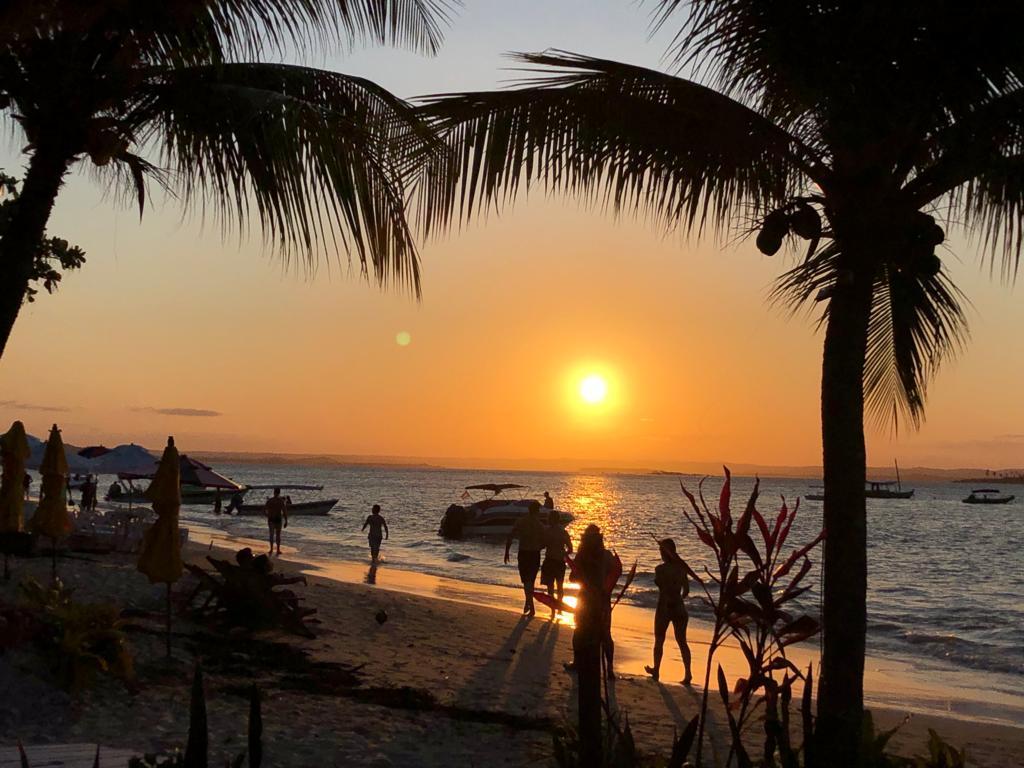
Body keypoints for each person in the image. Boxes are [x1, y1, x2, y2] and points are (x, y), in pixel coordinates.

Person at [644, 538, 693, 685]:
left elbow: (660, 585)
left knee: (659, 640)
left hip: (664, 607)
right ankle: (688, 673)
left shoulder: (660, 569)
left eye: (661, 551)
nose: (660, 554)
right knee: (682, 641)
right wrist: (678, 598)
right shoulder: (682, 569)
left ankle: (657, 670)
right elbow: (686, 590)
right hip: (679, 606)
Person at [572, 524, 618, 678]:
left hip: (585, 598)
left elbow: (573, 577)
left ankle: (577, 662)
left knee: (579, 630)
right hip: (603, 599)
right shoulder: (607, 555)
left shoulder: (582, 555)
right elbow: (615, 573)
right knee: (605, 634)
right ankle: (610, 669)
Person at [504, 500, 545, 616]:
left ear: (529, 510)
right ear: (537, 511)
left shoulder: (521, 521)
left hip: (524, 553)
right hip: (534, 554)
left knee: (526, 581)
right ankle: (529, 603)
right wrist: (539, 547)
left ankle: (530, 605)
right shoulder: (540, 525)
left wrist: (507, 551)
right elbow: (545, 541)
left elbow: (511, 535)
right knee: (530, 581)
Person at [540, 507, 572, 620]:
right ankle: (559, 609)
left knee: (550, 587)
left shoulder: (547, 531)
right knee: (560, 586)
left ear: (551, 520)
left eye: (548, 518)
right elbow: (570, 549)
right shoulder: (563, 532)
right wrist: (564, 554)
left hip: (549, 560)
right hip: (560, 562)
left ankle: (553, 610)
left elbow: (542, 545)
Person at [265, 487, 289, 555]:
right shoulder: (281, 501)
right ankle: (278, 550)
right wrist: (286, 521)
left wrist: (267, 515)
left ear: (274, 492)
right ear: (279, 493)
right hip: (278, 519)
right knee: (278, 535)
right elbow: (284, 511)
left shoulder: (270, 501)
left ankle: (271, 549)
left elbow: (263, 510)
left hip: (271, 519)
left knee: (271, 535)